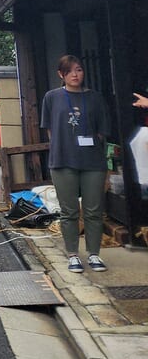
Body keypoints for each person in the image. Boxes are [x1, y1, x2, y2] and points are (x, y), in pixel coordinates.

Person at [40, 55, 110, 273]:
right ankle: (72, 255)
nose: (74, 75)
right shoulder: (52, 97)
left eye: (78, 70)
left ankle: (94, 254)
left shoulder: (95, 98)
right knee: (68, 211)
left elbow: (102, 132)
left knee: (93, 210)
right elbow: (50, 129)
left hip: (93, 161)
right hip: (62, 160)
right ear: (61, 74)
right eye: (69, 71)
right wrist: (63, 147)